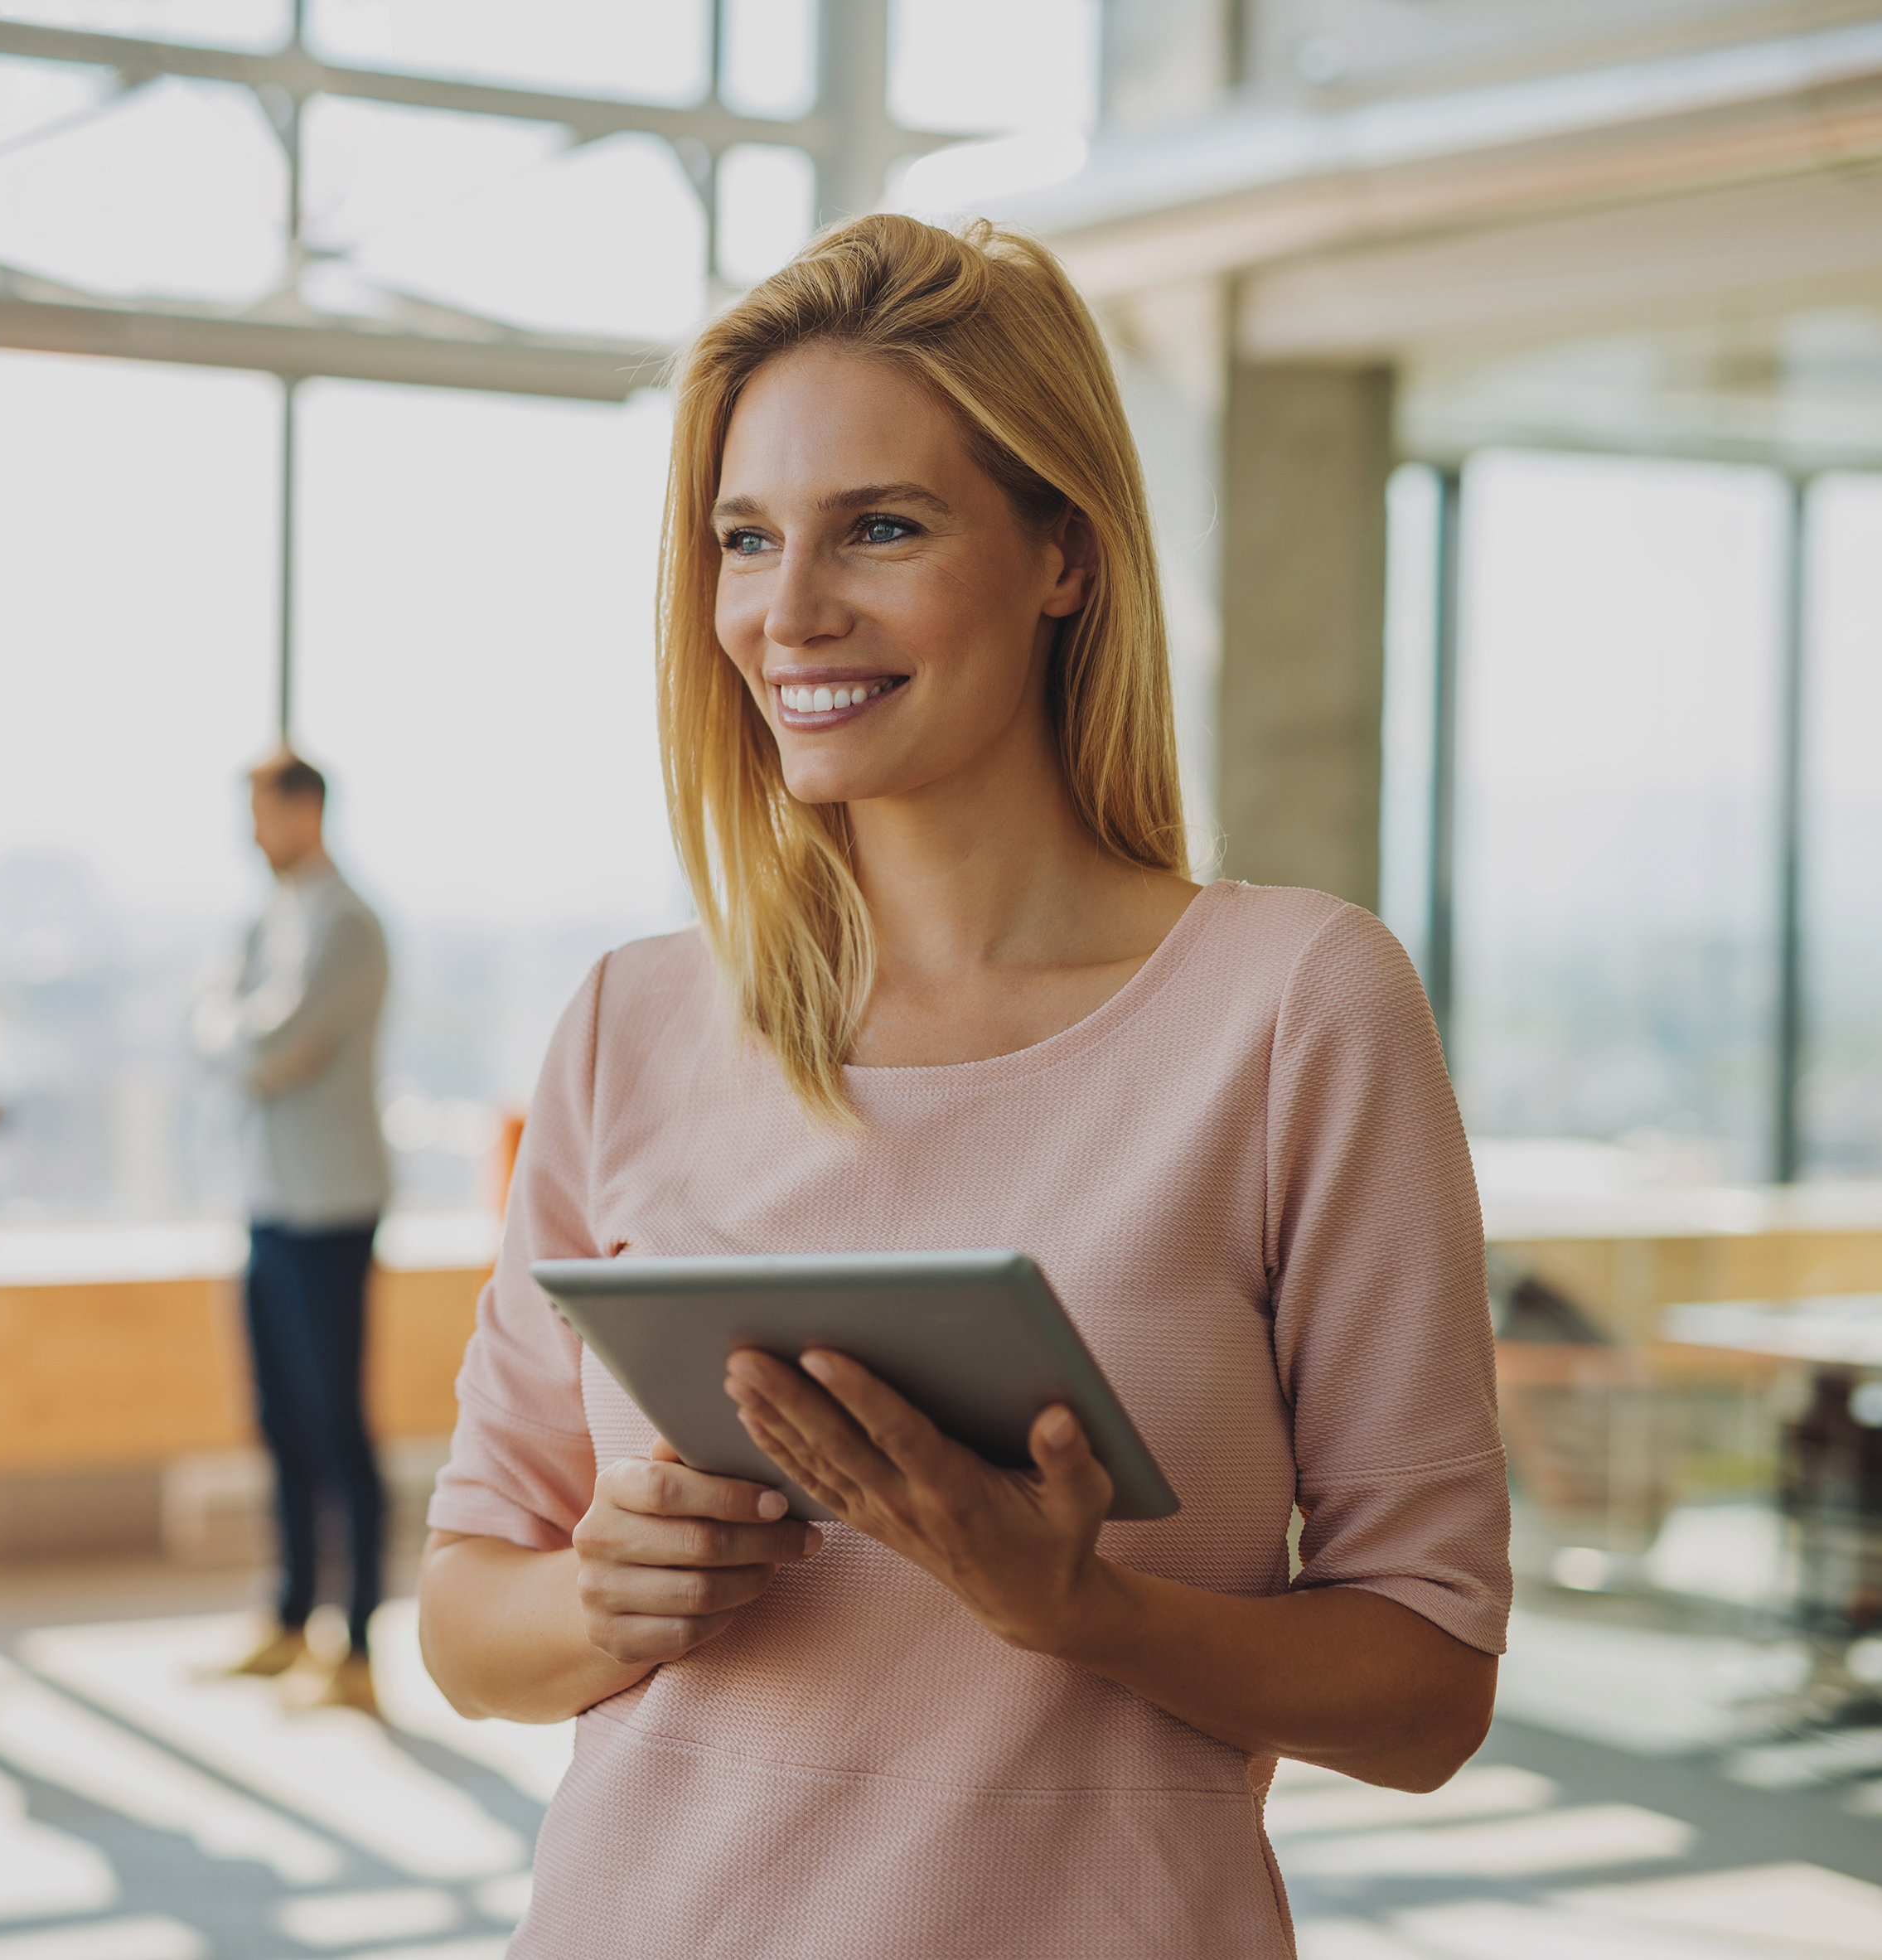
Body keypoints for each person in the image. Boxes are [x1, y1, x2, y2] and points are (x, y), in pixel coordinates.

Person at [416, 215, 1510, 1956]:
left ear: (1061, 553)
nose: (788, 611)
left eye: (881, 527)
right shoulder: (631, 1020)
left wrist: (1081, 1608)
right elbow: (467, 1618)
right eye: (745, 538)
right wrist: (604, 1598)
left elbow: (1428, 1691)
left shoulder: (1292, 1007)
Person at [193, 752, 394, 1716]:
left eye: (261, 812)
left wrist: (237, 1036)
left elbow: (271, 1048)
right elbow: (216, 1031)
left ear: (305, 810)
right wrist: (243, 1038)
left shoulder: (348, 924)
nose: (249, 832)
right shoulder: (265, 920)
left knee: (334, 1420)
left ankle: (354, 1645)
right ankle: (287, 1617)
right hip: (268, 1198)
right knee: (277, 1414)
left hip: (330, 1205)